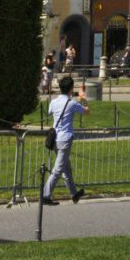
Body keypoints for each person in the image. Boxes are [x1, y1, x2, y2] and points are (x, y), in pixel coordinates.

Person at [41, 74, 88, 205]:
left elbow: (50, 112)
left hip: (55, 138)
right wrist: (83, 99)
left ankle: (74, 194)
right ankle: (45, 195)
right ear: (71, 89)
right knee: (58, 169)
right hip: (65, 139)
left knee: (66, 168)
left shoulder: (54, 102)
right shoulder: (72, 103)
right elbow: (87, 111)